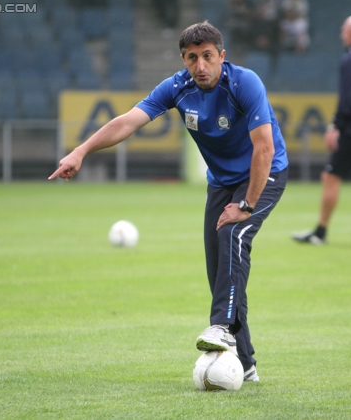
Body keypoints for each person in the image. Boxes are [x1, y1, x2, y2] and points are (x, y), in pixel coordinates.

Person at [49, 21, 289, 382]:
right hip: (221, 182)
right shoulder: (177, 88)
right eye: (193, 58)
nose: (201, 66)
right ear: (184, 60)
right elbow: (128, 121)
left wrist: (247, 206)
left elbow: (265, 148)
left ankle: (221, 327)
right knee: (219, 268)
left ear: (222, 56)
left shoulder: (245, 82)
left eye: (208, 56)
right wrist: (81, 151)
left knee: (233, 236)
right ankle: (246, 363)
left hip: (265, 173)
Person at [292, 15, 351, 246]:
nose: (341, 34)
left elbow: (348, 97)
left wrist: (336, 126)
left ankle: (320, 232)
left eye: (344, 30)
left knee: (331, 176)